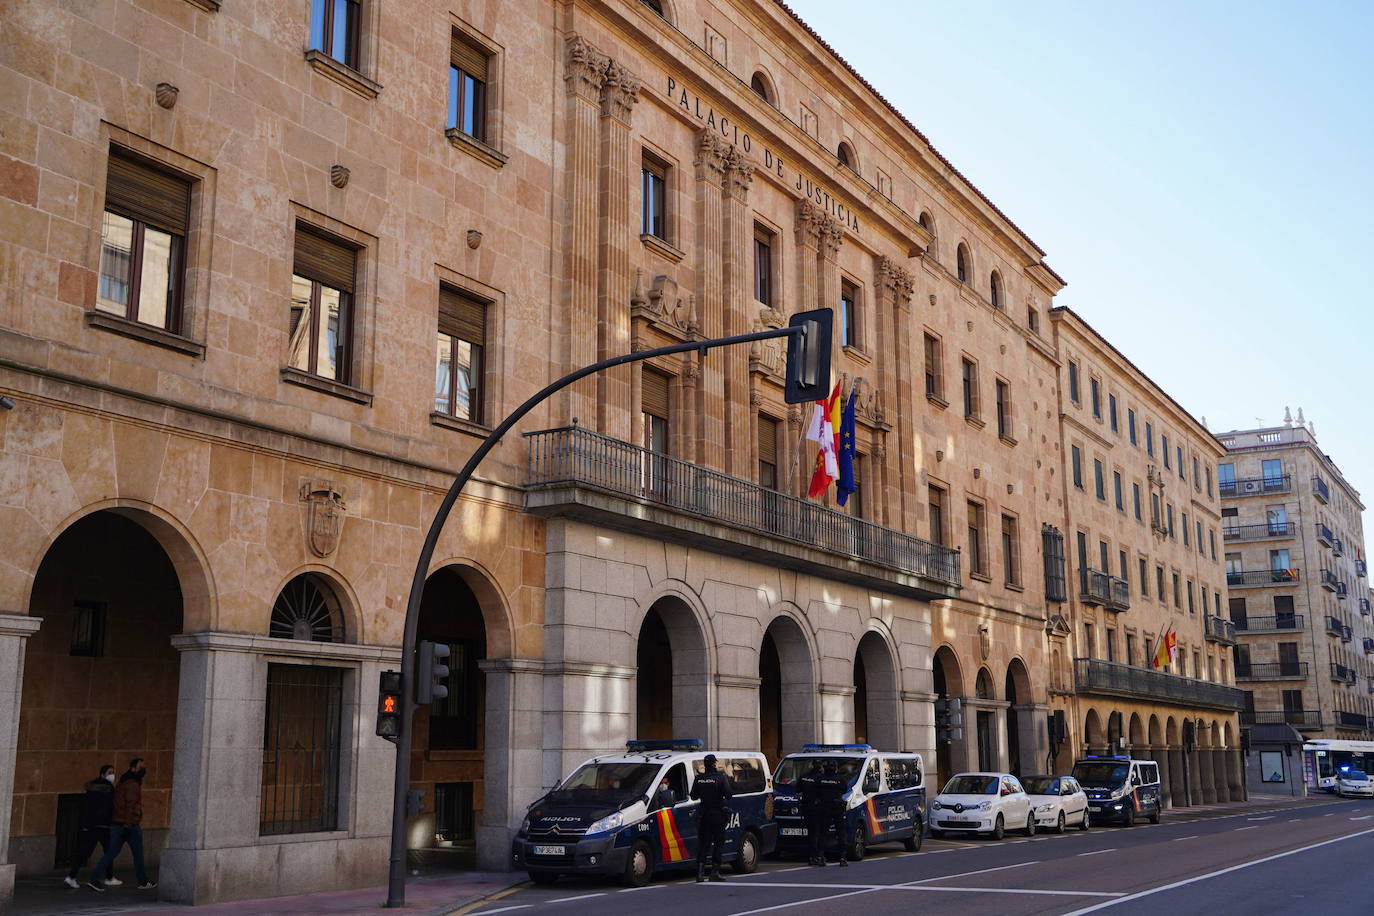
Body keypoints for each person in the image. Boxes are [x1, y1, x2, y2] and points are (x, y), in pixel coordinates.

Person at [88, 758, 155, 892]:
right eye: (141, 767)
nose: (143, 769)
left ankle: (94, 877)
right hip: (128, 824)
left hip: (118, 823)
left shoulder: (123, 781)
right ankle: (143, 881)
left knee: (111, 852)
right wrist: (128, 825)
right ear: (133, 768)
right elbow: (130, 806)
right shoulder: (132, 784)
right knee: (138, 854)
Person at [64, 765, 117, 889]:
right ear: (102, 774)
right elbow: (109, 807)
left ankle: (71, 876)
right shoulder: (108, 788)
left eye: (113, 772)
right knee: (109, 851)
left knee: (85, 852)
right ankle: (108, 877)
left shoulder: (91, 789)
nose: (112, 775)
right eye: (110, 772)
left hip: (90, 824)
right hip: (103, 824)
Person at [690, 754, 733, 882]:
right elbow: (729, 795)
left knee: (703, 844)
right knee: (718, 844)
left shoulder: (699, 779)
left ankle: (700, 873)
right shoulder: (720, 778)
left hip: (704, 816)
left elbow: (693, 796)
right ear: (714, 764)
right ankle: (714, 872)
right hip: (718, 816)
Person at [817, 759, 849, 866]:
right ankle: (842, 858)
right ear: (835, 768)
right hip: (836, 808)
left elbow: (816, 791)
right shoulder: (840, 779)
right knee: (840, 833)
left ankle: (821, 856)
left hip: (824, 807)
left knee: (823, 833)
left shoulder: (820, 778)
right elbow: (845, 790)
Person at [798, 758, 826, 866]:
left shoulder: (804, 776)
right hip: (818, 808)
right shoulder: (821, 778)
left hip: (806, 807)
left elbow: (798, 790)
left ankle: (811, 856)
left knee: (811, 833)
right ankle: (819, 856)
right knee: (819, 833)